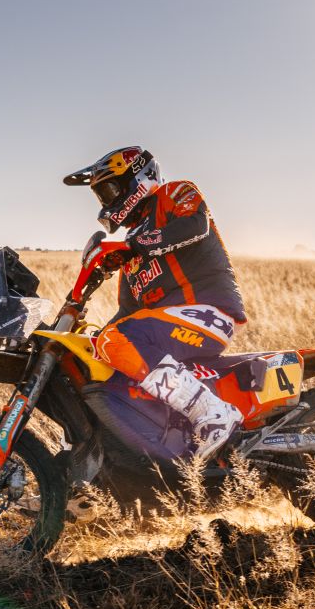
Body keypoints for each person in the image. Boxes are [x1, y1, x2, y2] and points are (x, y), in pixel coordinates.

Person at [63, 146, 246, 459]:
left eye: (109, 189)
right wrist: (95, 343)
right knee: (101, 348)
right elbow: (127, 313)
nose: (106, 201)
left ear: (137, 177)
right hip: (170, 325)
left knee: (115, 339)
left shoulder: (174, 194)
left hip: (210, 312)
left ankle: (214, 413)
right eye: (100, 195)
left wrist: (134, 244)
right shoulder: (132, 251)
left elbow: (195, 225)